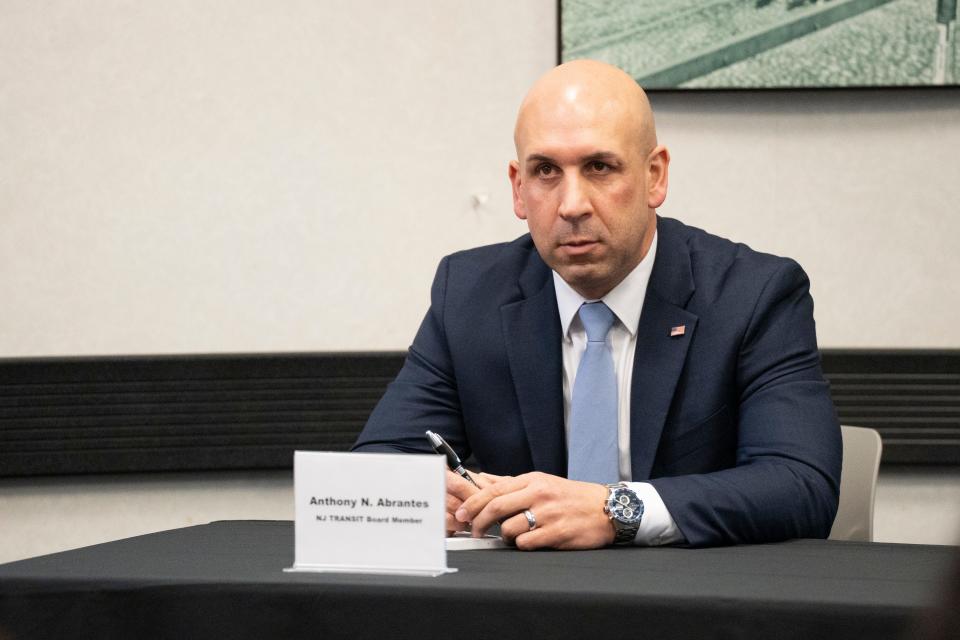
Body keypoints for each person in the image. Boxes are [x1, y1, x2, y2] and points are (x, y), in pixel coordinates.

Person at [352, 59, 841, 550]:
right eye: (545, 171)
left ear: (655, 176)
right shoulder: (469, 293)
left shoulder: (753, 294)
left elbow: (800, 484)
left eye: (599, 167)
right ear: (518, 188)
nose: (572, 205)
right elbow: (379, 460)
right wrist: (426, 494)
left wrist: (616, 509)